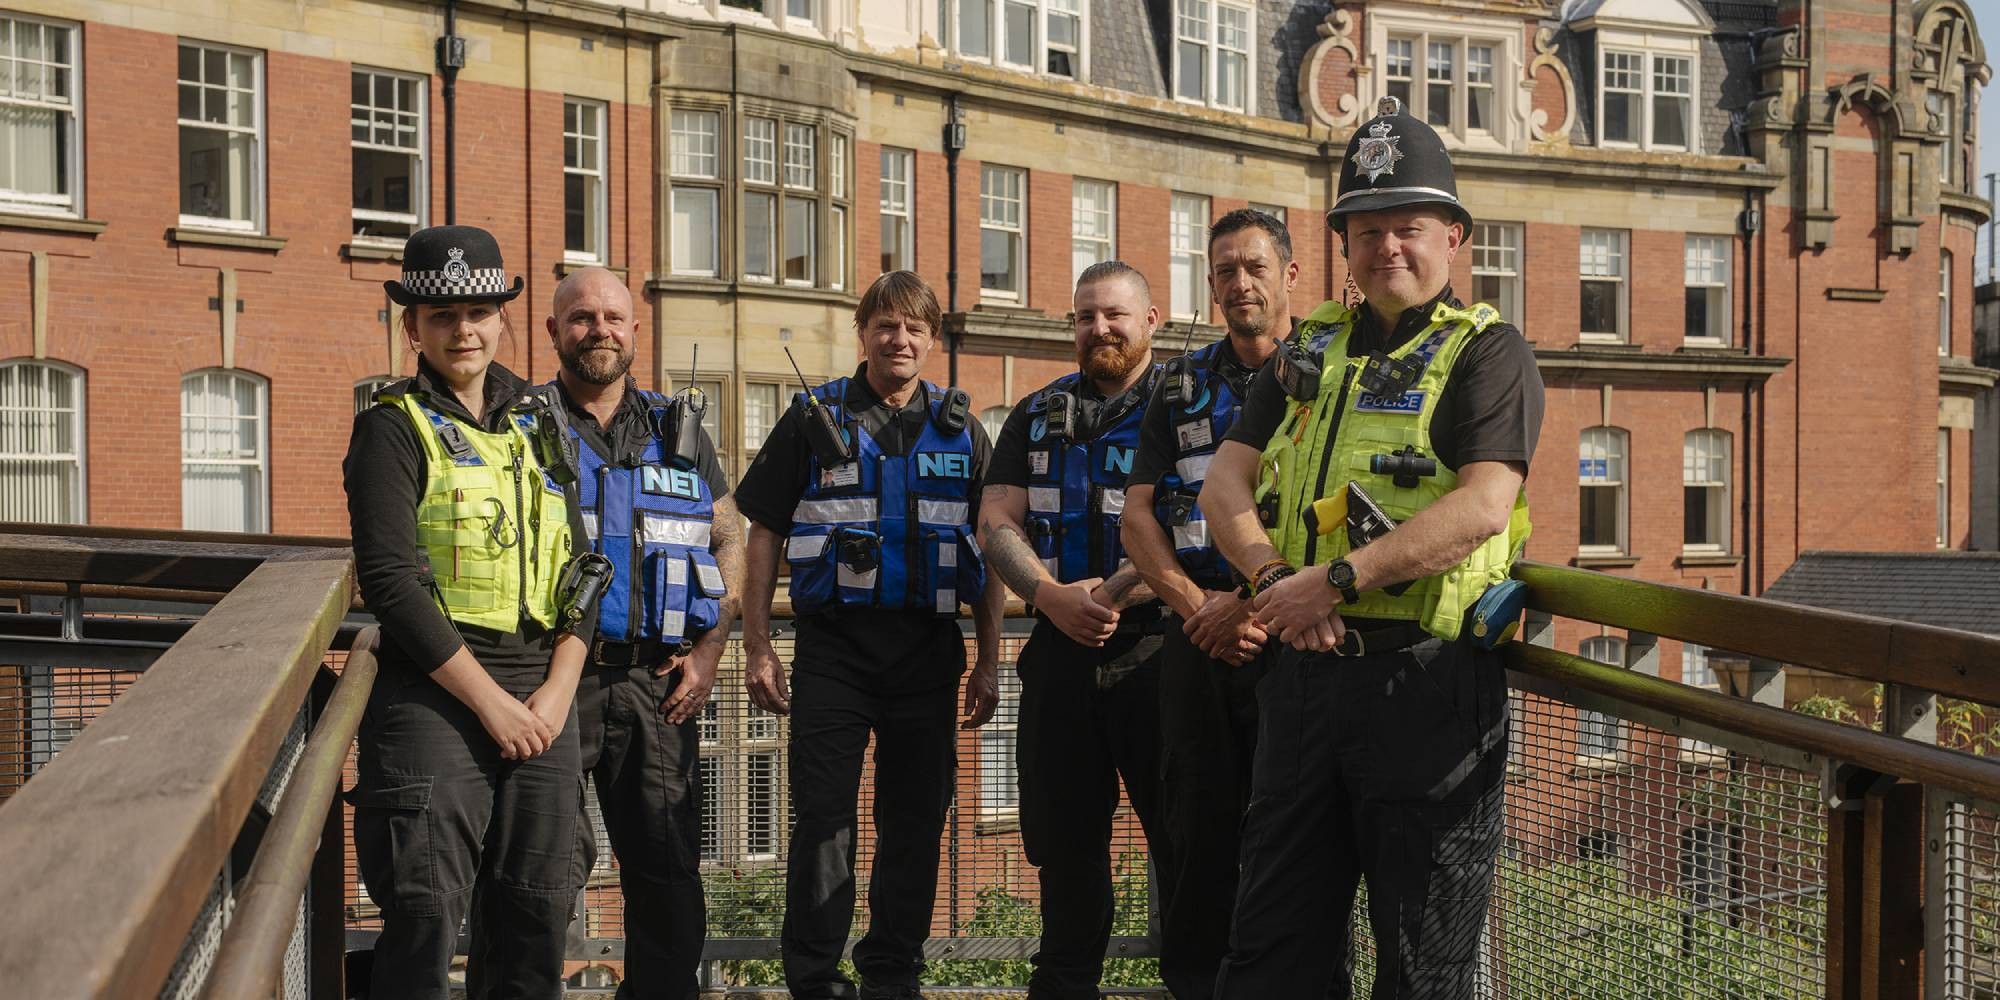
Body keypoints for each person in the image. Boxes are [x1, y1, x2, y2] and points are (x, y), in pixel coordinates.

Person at [1199, 96, 1543, 998]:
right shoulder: (1306, 348)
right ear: (1343, 244)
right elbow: (1223, 485)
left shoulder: (1490, 353)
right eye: (1366, 229)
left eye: (1408, 227)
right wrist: (1277, 582)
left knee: (1421, 965)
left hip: (1426, 688)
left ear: (1455, 238)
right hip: (1303, 686)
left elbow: (1483, 504)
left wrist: (1338, 581)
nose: (1386, 246)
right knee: (1270, 955)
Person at [736, 270, 1003, 1000]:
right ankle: (815, 982)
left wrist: (989, 657)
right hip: (834, 653)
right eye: (886, 324)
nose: (900, 339)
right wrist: (758, 646)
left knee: (915, 823)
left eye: (916, 327)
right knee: (824, 821)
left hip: (928, 652)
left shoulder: (962, 430)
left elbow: (994, 542)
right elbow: (763, 534)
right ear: (863, 332)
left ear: (932, 338)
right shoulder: (812, 417)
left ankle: (892, 975)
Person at [344, 225, 595, 999]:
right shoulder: (391, 425)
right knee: (425, 911)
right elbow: (390, 583)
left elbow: (583, 567)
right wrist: (494, 707)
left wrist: (553, 695)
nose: (464, 329)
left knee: (537, 911)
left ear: (501, 318)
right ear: (411, 325)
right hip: (436, 687)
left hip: (542, 688)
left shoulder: (539, 417)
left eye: (480, 312)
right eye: (443, 314)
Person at [545, 267, 740, 999]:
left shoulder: (675, 429)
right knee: (544, 868)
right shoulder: (523, 423)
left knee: (665, 867)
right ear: (554, 331)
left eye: (613, 318)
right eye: (582, 317)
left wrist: (711, 650)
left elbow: (729, 536)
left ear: (635, 330)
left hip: (654, 681)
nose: (599, 330)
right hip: (547, 681)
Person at [978, 260, 1169, 1000]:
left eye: (1115, 314)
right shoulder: (1036, 412)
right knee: (1063, 847)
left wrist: (1116, 589)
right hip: (1058, 652)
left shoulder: (1186, 407)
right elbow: (996, 520)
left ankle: (1196, 977)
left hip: (1160, 651)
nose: (1100, 329)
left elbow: (1203, 522)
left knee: (1184, 839)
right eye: (1086, 316)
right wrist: (1051, 596)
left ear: (1150, 320)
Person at [1119, 209, 1295, 1000]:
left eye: (1255, 266)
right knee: (1194, 832)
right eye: (1224, 270)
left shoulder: (1326, 374)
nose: (1239, 283)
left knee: (1295, 835)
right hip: (1195, 638)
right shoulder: (1179, 386)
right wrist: (1200, 608)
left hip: (1294, 632)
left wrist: (1253, 604)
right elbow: (1137, 517)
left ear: (1290, 275)